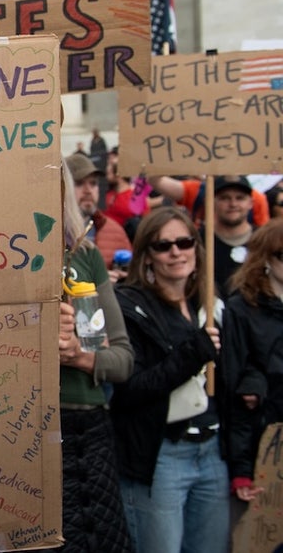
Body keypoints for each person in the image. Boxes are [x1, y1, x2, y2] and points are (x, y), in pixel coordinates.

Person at [111, 207, 228, 553]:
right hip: (161, 457)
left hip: (213, 453)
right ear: (147, 255)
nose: (176, 252)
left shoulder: (212, 304)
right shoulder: (129, 307)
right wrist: (192, 355)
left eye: (184, 241)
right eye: (163, 246)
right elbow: (129, 389)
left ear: (196, 246)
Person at [57, 167, 135, 552]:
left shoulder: (84, 256)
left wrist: (79, 356)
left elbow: (121, 359)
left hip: (87, 431)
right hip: (18, 433)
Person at [219, 218, 283, 511]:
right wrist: (242, 470)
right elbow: (238, 392)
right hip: (263, 447)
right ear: (265, 259)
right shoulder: (241, 309)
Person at [65, 154, 131, 269]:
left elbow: (133, 276)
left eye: (93, 183)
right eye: (79, 183)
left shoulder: (114, 230)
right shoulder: (53, 234)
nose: (88, 190)